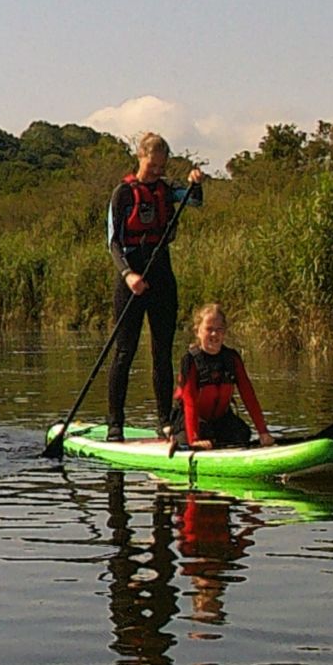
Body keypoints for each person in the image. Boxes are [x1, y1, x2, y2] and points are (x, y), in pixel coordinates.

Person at [106, 132, 203, 441]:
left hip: (162, 276)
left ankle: (164, 421)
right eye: (153, 164)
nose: (157, 171)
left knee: (162, 353)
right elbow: (113, 243)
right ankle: (115, 423)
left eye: (162, 166)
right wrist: (128, 275)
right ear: (140, 157)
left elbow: (196, 201)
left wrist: (195, 182)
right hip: (132, 279)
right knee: (125, 352)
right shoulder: (122, 193)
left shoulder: (168, 189)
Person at [168, 302, 274, 452]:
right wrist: (195, 439)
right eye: (209, 329)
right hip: (191, 421)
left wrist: (263, 432)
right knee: (196, 435)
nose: (214, 334)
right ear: (197, 331)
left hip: (220, 420)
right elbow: (189, 401)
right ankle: (174, 436)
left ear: (224, 332)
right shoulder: (190, 360)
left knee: (242, 433)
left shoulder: (232, 358)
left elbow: (249, 396)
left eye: (219, 330)